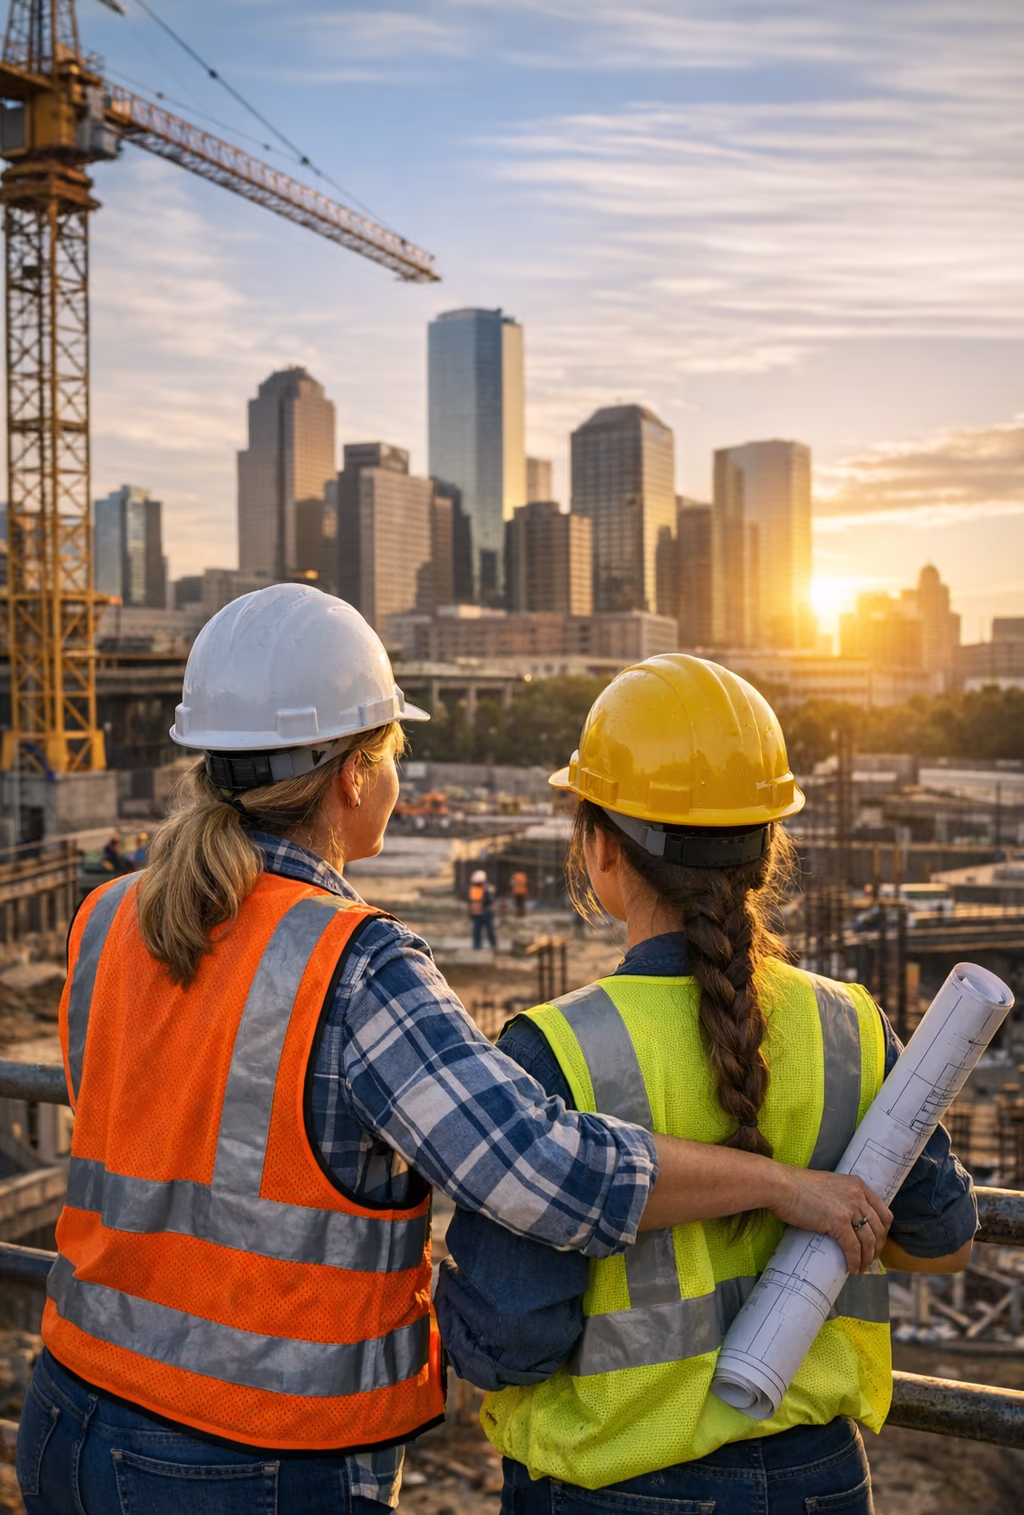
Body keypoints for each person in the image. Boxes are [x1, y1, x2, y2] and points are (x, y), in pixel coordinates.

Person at [18, 598, 890, 1515]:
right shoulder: (354, 964)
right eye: (392, 754)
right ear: (355, 776)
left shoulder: (109, 915)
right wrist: (780, 1185)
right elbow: (541, 1172)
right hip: (251, 1455)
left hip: (71, 1409)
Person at [436, 654, 976, 1515]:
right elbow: (943, 1241)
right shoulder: (853, 1026)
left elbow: (511, 1338)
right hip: (821, 1480)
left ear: (600, 848)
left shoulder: (562, 1050)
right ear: (768, 849)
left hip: (614, 1481)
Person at [468, 866, 497, 950]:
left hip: (484, 914)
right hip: (478, 914)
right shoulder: (475, 890)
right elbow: (471, 902)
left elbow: (490, 902)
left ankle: (492, 945)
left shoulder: (485, 890)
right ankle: (477, 947)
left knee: (488, 931)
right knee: (478, 932)